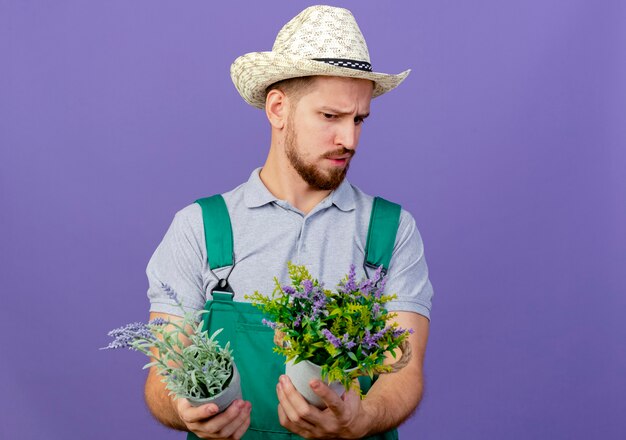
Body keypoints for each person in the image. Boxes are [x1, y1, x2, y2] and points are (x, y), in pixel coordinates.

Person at [143, 5, 434, 440]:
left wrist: (362, 419)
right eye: (330, 117)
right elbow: (161, 380)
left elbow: (405, 374)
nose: (349, 139)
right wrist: (185, 409)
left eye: (358, 120)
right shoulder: (200, 227)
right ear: (278, 108)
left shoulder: (392, 230)